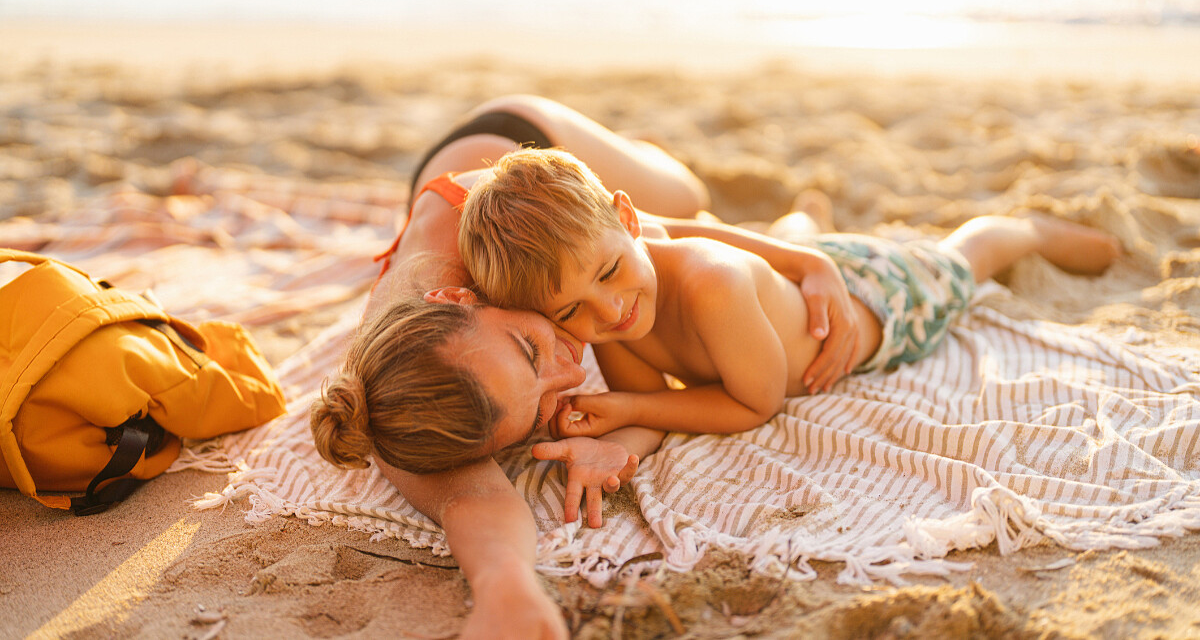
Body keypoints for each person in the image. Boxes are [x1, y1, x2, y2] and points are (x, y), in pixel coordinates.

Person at [310, 95, 861, 640]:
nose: (572, 374)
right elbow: (470, 499)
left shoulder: (479, 246)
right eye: (541, 409)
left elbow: (661, 228)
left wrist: (803, 260)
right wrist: (508, 588)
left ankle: (665, 165)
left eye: (529, 348)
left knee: (689, 198)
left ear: (459, 297)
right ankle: (793, 226)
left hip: (515, 146)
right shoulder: (411, 403)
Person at [456, 148, 1123, 448]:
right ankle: (801, 229)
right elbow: (663, 409)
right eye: (569, 311)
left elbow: (756, 401)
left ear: (628, 220)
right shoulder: (621, 300)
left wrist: (624, 404)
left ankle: (1025, 227)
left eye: (606, 272)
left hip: (878, 300)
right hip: (784, 280)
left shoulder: (711, 283)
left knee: (961, 259)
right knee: (780, 248)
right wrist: (613, 441)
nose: (608, 313)